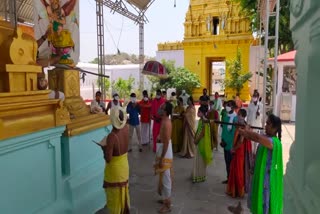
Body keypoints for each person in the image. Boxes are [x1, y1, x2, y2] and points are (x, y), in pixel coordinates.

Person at [238, 114, 283, 214]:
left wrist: (245, 131)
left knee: (263, 204)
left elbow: (257, 138)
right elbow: (253, 137)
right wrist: (246, 131)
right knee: (258, 200)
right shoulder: (266, 138)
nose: (266, 126)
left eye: (268, 124)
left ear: (275, 128)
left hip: (266, 180)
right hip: (261, 177)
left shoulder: (273, 142)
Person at [101, 107, 130, 214]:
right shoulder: (126, 128)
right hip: (124, 166)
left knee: (114, 199)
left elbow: (108, 159)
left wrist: (104, 149)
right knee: (123, 195)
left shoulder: (112, 136)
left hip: (115, 170)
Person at [153, 101, 173, 213]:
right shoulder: (164, 121)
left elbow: (166, 143)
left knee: (166, 178)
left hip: (165, 152)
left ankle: (168, 204)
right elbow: (164, 137)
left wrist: (161, 158)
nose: (160, 108)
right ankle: (165, 198)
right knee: (163, 176)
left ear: (165, 112)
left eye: (162, 108)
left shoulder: (166, 123)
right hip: (163, 149)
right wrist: (159, 136)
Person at [226, 109, 249, 198]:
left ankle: (239, 191)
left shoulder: (243, 127)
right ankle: (234, 190)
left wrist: (233, 149)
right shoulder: (240, 125)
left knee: (238, 170)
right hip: (238, 150)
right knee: (235, 169)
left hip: (239, 151)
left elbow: (241, 141)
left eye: (239, 115)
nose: (237, 116)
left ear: (243, 116)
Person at [192, 106, 213, 183]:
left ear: (203, 113)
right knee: (198, 159)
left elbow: (203, 133)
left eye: (199, 112)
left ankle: (199, 175)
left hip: (201, 142)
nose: (198, 113)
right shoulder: (201, 120)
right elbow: (198, 130)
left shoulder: (205, 121)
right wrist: (195, 137)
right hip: (198, 141)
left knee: (200, 160)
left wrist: (196, 140)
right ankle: (197, 174)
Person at [221, 100, 237, 184]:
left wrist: (231, 145)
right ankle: (228, 178)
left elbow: (234, 134)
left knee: (231, 164)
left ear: (233, 107)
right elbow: (223, 130)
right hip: (225, 143)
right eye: (227, 105)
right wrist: (222, 140)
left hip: (230, 145)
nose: (227, 107)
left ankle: (232, 180)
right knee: (227, 163)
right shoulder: (225, 116)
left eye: (229, 105)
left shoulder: (235, 118)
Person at [247, 91, 263, 155]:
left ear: (258, 97)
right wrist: (247, 123)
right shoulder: (250, 105)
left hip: (257, 125)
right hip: (250, 125)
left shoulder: (261, 105)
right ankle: (250, 152)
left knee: (256, 140)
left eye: (255, 96)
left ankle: (255, 153)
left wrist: (259, 114)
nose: (254, 97)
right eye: (253, 96)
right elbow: (248, 114)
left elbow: (261, 114)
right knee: (250, 140)